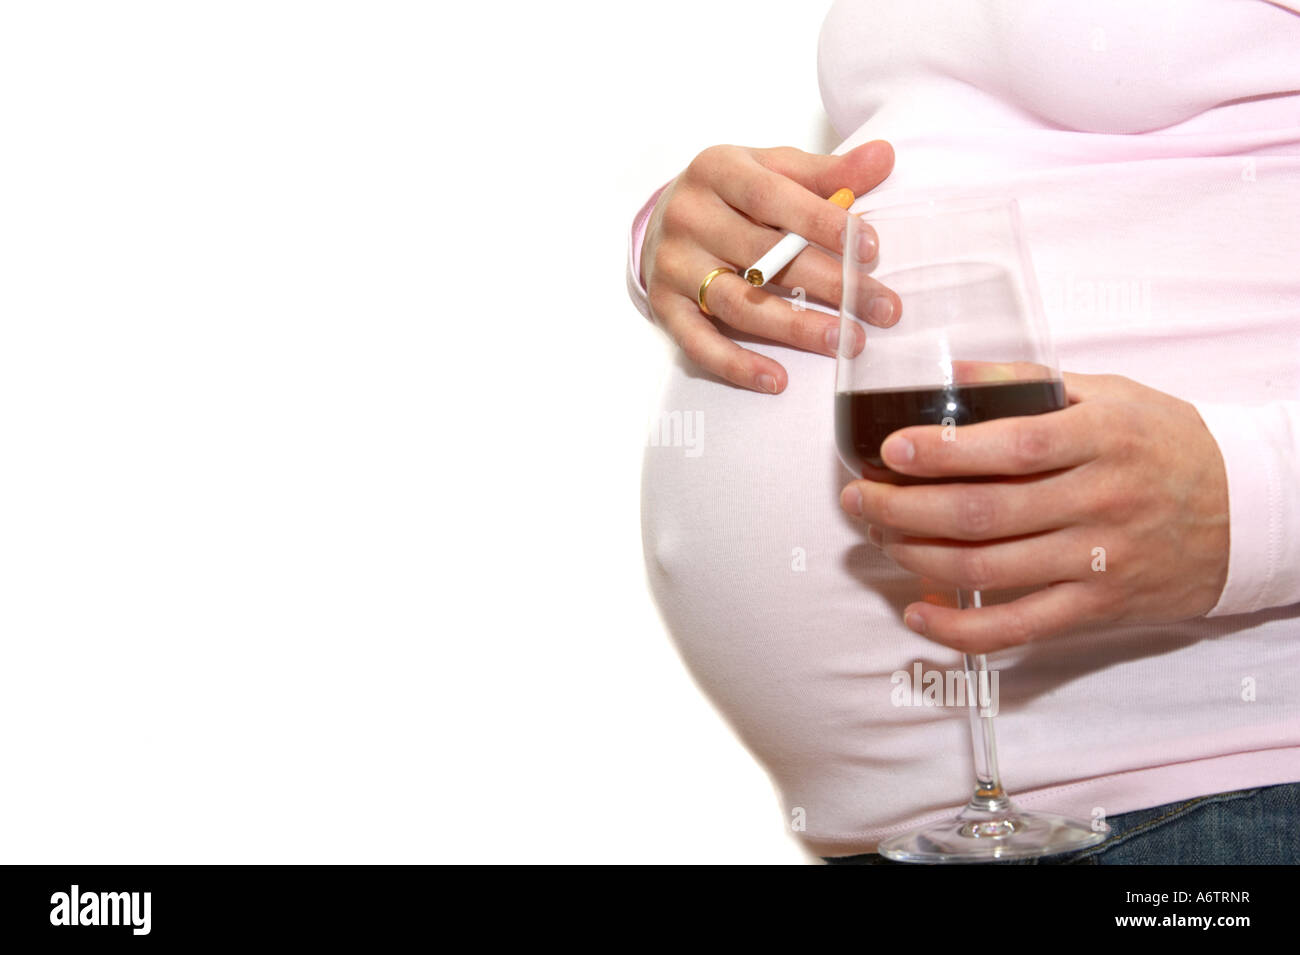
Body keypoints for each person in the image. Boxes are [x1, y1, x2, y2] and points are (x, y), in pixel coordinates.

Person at [627, 0, 1300, 863]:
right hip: (904, 833)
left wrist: (1253, 504)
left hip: (1210, 805)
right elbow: (947, 156)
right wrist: (694, 246)